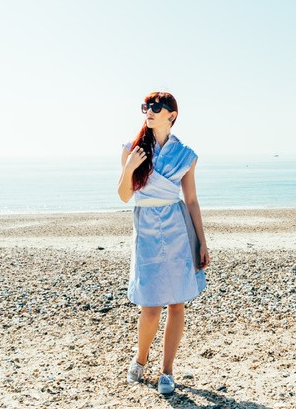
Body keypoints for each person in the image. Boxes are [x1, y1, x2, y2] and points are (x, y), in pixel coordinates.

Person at [117, 91, 210, 394]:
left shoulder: (185, 154)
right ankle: (140, 359)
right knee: (151, 304)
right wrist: (130, 167)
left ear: (172, 114)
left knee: (177, 302)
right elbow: (123, 195)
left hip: (177, 228)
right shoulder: (133, 149)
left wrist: (202, 242)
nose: (150, 111)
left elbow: (192, 200)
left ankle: (167, 370)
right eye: (146, 107)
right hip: (146, 228)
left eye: (157, 107)